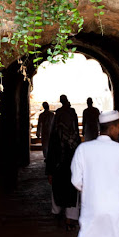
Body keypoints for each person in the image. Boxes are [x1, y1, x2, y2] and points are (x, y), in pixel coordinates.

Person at [46, 95, 80, 228]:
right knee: (69, 194)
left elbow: (51, 155)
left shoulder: (56, 136)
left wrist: (50, 172)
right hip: (68, 169)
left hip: (61, 169)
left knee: (61, 192)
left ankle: (61, 215)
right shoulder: (74, 138)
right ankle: (68, 219)